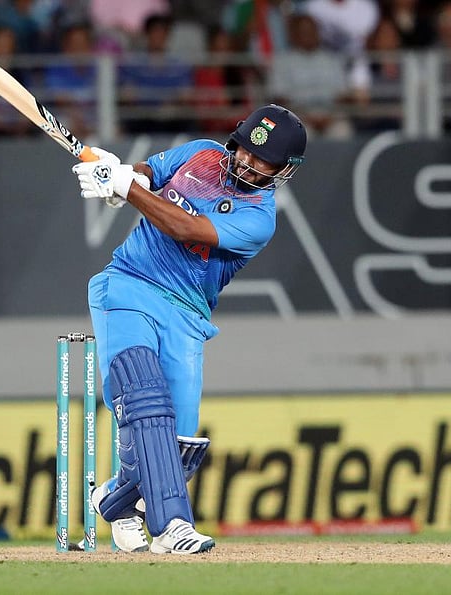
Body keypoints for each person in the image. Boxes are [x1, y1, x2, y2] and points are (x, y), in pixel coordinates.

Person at [71, 103, 307, 554]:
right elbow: (148, 172)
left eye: (264, 162)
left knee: (179, 449)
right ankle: (172, 526)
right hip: (128, 285)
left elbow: (184, 227)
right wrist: (125, 177)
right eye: (246, 151)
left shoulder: (259, 217)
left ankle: (114, 500)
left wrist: (126, 187)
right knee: (146, 399)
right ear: (236, 140)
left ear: (283, 170)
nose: (248, 163)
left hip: (187, 313)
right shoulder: (198, 154)